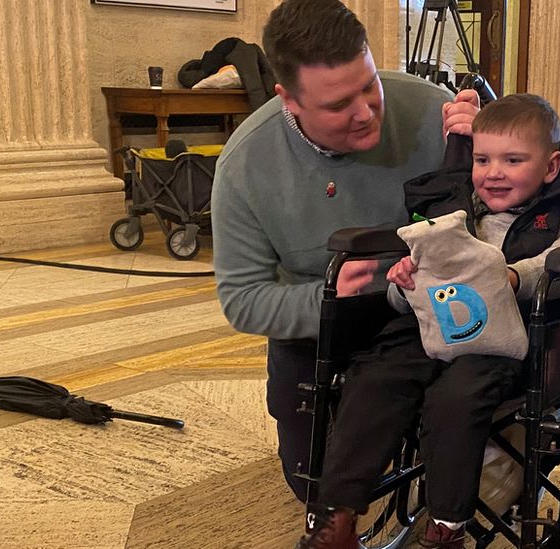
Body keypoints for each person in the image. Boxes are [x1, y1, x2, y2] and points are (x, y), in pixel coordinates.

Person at [211, 0, 480, 502]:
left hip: (431, 311)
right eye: (338, 105)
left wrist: (484, 152)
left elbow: (504, 215)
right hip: (320, 327)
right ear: (289, 101)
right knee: (315, 486)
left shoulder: (431, 109)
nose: (365, 112)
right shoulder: (246, 166)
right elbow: (242, 299)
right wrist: (326, 297)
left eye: (369, 86)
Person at [299, 94, 560, 548]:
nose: (493, 172)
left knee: (457, 396)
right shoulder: (450, 214)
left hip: (499, 341)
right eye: (482, 159)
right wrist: (403, 282)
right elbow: (405, 298)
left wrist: (514, 276)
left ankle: (447, 527)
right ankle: (337, 515)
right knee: (375, 376)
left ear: (550, 167)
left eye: (513, 160)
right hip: (428, 330)